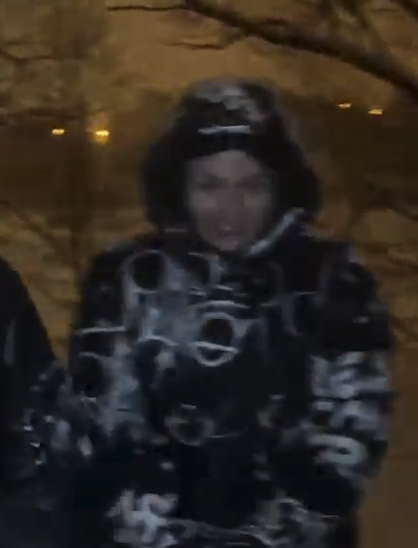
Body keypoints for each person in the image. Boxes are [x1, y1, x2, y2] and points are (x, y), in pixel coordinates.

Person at [16, 78, 394, 548]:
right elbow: (103, 421)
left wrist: (281, 520)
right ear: (179, 187)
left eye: (251, 186)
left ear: (280, 187)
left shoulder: (330, 282)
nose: (230, 209)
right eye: (209, 185)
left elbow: (351, 427)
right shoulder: (128, 277)